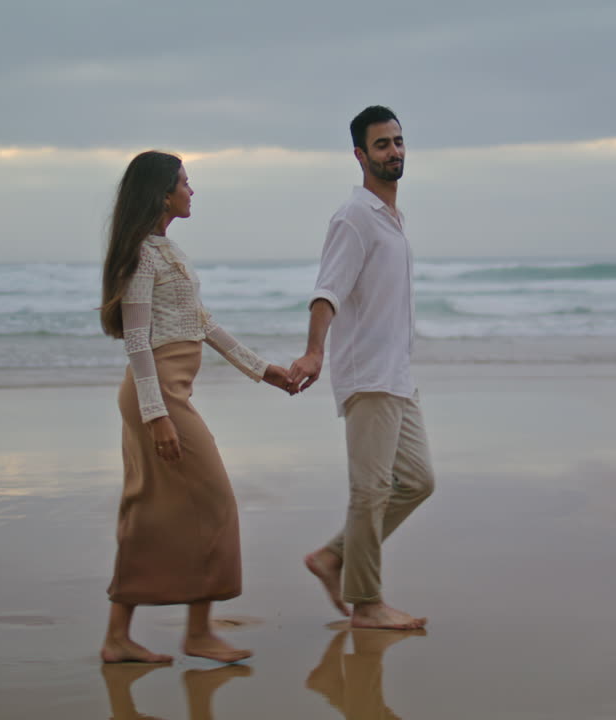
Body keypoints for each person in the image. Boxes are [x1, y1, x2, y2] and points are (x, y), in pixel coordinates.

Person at [98, 150, 296, 664]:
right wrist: (156, 414)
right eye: (185, 182)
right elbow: (138, 341)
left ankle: (120, 638)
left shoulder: (167, 250)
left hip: (166, 393)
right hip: (158, 394)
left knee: (149, 513)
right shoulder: (144, 255)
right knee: (214, 500)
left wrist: (262, 369)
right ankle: (198, 633)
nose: (192, 190)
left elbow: (200, 321)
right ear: (162, 193)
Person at [288, 106, 434, 630]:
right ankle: (366, 604)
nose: (394, 151)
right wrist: (313, 351)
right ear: (360, 155)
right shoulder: (354, 217)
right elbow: (328, 289)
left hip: (397, 374)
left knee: (417, 481)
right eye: (381, 145)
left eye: (398, 142)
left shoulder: (391, 218)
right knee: (370, 490)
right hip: (367, 373)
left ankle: (331, 557)